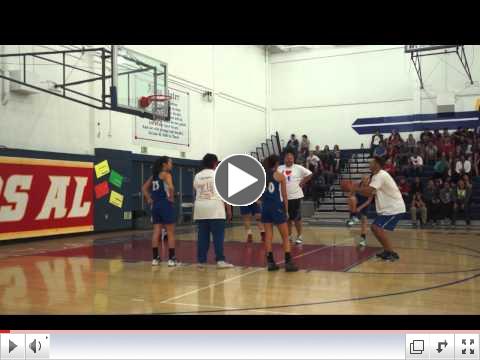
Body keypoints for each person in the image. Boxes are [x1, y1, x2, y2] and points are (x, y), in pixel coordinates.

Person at [349, 156, 405, 261]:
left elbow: (369, 191)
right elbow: (370, 192)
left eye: (371, 162)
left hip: (393, 208)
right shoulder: (376, 176)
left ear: (377, 165)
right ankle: (388, 251)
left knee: (376, 227)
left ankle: (391, 253)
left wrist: (354, 188)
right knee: (375, 228)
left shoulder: (381, 175)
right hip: (388, 209)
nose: (369, 164)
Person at [193, 153, 234, 269]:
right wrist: (229, 210)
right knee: (218, 236)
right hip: (215, 208)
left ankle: (201, 261)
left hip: (200, 208)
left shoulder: (197, 176)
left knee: (202, 237)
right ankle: (220, 260)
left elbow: (196, 189)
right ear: (215, 163)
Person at [261, 154, 298, 272]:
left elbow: (258, 195)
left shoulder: (262, 176)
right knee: (285, 236)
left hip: (265, 207)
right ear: (277, 163)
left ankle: (270, 263)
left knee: (268, 235)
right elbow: (285, 195)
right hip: (276, 207)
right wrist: (286, 210)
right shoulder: (280, 176)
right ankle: (288, 263)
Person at [142, 156, 179, 267]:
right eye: (170, 163)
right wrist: (171, 197)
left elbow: (143, 188)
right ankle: (172, 259)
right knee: (170, 232)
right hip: (165, 204)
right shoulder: (166, 175)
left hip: (155, 205)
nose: (171, 165)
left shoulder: (153, 176)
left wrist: (149, 198)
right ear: (164, 164)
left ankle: (155, 258)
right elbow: (171, 187)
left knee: (156, 232)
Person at [278, 149, 313, 245]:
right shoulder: (280, 168)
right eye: (287, 158)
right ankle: (288, 236)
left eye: (291, 158)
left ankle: (299, 236)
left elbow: (310, 174)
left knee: (297, 218)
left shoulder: (298, 168)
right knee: (287, 218)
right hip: (283, 198)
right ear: (284, 159)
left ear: (293, 159)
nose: (289, 160)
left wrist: (303, 182)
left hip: (296, 196)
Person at [346, 175, 373, 247]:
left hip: (365, 204)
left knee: (364, 221)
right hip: (357, 201)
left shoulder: (371, 188)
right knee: (352, 199)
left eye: (367, 179)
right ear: (362, 179)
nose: (365, 180)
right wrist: (351, 207)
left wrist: (360, 208)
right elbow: (350, 195)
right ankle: (353, 217)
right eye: (364, 179)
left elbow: (369, 201)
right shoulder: (356, 185)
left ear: (369, 180)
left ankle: (363, 240)